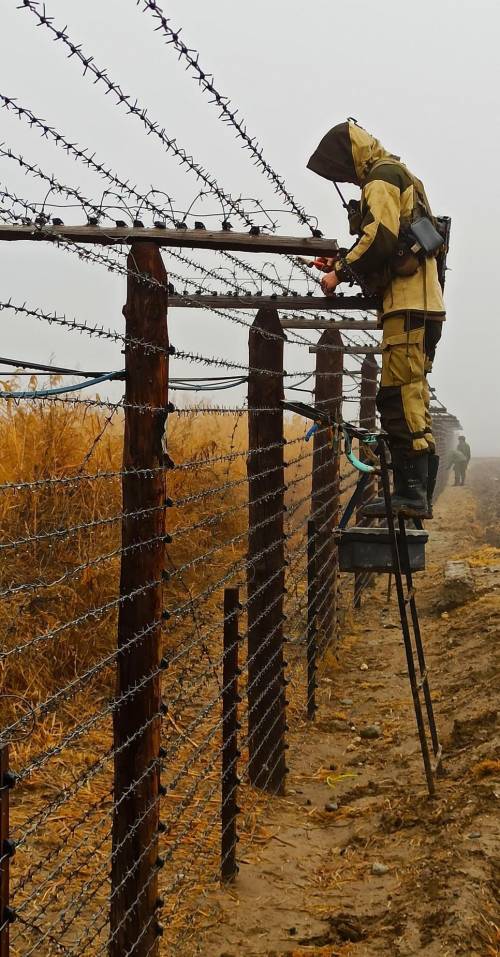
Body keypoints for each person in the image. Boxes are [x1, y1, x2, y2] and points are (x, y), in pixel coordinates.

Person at [307, 120, 446, 518]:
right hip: (422, 303)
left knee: (398, 394)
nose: (350, 181)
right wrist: (344, 262)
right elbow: (393, 243)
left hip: (408, 304)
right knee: (410, 393)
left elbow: (381, 238)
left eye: (345, 172)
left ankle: (411, 494)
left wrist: (338, 272)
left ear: (350, 158)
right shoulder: (403, 176)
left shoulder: (381, 177)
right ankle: (415, 493)